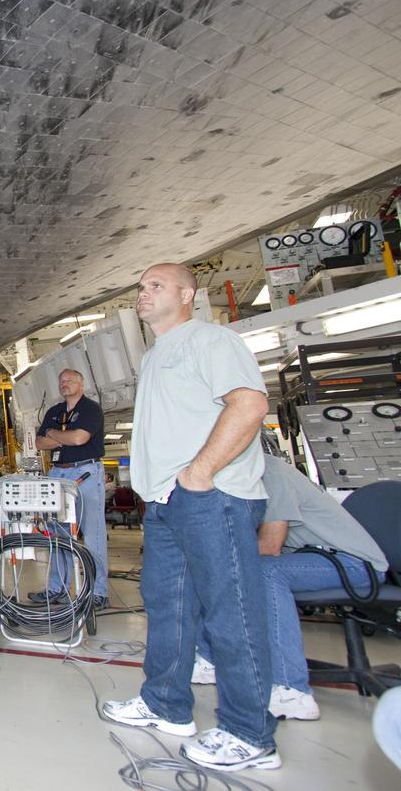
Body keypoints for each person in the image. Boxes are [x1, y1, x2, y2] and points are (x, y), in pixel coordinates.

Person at [101, 262, 279, 772]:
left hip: (211, 497)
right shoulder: (157, 354)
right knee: (168, 608)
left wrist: (199, 473)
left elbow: (248, 405)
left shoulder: (210, 340)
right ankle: (165, 704)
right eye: (140, 287)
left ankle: (250, 733)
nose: (143, 293)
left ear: (187, 295)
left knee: (231, 612)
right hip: (164, 504)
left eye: (155, 285)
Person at [193, 453, 387, 721]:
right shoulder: (241, 476)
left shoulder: (271, 474)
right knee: (220, 568)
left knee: (266, 571)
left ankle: (291, 689)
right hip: (310, 558)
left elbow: (270, 546)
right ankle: (209, 659)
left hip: (353, 564)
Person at [29, 369, 109, 609]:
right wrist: (64, 435)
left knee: (93, 534)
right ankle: (58, 589)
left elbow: (79, 440)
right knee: (57, 535)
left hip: (85, 473)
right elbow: (41, 443)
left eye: (70, 380)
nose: (65, 383)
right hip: (58, 473)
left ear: (81, 384)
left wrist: (54, 433)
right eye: (61, 380)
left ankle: (98, 591)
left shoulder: (90, 409)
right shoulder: (54, 412)